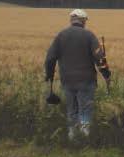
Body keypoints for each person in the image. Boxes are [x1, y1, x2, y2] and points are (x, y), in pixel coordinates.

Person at [44, 9, 111, 140]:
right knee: (85, 109)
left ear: (72, 20)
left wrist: (49, 75)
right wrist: (106, 75)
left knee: (71, 109)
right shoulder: (89, 36)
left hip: (67, 81)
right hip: (86, 80)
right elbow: (100, 59)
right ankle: (85, 137)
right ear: (83, 21)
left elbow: (50, 59)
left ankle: (72, 137)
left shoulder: (61, 36)